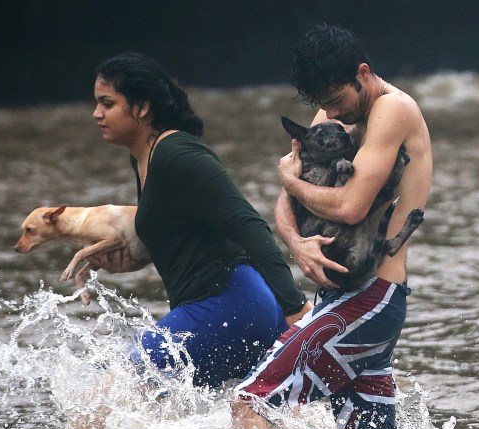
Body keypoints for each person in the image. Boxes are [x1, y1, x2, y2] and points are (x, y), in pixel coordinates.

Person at [232, 24, 433, 429]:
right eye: (323, 106)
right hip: (343, 298)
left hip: (372, 298)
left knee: (251, 401)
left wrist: (287, 176)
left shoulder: (392, 109)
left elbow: (350, 207)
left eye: (337, 101)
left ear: (362, 74)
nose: (332, 115)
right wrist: (296, 242)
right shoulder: (330, 115)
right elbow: (288, 201)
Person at [87, 53, 312, 387]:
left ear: (141, 107)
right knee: (244, 425)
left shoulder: (179, 155)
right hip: (228, 309)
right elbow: (186, 235)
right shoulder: (144, 159)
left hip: (233, 304)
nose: (97, 114)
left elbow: (248, 225)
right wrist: (131, 260)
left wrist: (296, 308)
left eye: (108, 103)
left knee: (110, 384)